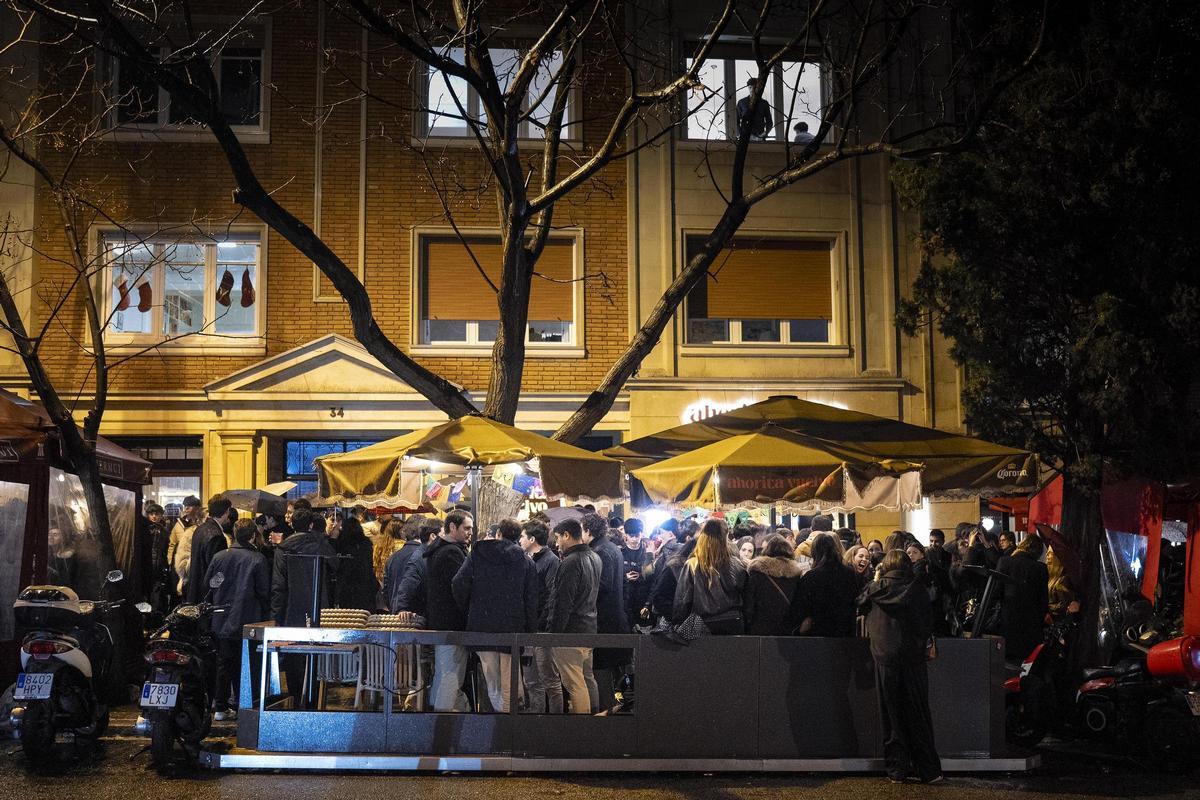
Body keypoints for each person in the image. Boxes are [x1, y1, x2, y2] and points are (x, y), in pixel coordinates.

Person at [859, 550, 942, 784]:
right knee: (917, 713)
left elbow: (859, 605)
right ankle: (928, 770)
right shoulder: (917, 589)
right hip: (913, 658)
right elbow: (927, 622)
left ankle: (897, 770)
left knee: (891, 715)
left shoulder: (876, 588)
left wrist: (876, 579)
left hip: (885, 658)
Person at [452, 518, 538, 712]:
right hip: (512, 628)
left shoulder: (478, 554)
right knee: (511, 679)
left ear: (498, 533)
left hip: (482, 625)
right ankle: (509, 722)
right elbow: (531, 599)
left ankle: (498, 716)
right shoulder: (525, 561)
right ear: (517, 537)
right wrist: (530, 632)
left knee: (491, 678)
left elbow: (458, 583)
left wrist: (470, 608)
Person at [204, 519, 270, 720]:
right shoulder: (257, 559)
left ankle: (221, 707)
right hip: (247, 619)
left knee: (224, 663)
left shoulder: (219, 557)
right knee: (246, 665)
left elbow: (210, 584)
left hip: (221, 618)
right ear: (252, 536)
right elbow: (264, 592)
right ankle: (244, 705)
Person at [270, 508, 336, 706]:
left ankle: (296, 697)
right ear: (310, 525)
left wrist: (275, 616)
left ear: (292, 524)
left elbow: (278, 587)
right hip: (318, 610)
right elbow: (335, 567)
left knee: (293, 657)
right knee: (315, 657)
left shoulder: (283, 549)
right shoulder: (322, 545)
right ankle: (313, 700)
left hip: (292, 610)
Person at [545, 518, 601, 714]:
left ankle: (582, 728)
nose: (557, 543)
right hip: (588, 628)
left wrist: (554, 634)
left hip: (570, 632)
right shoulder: (595, 557)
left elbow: (562, 602)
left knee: (574, 683)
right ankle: (594, 719)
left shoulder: (570, 562)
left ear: (567, 535)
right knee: (587, 678)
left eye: (558, 538)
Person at [423, 511, 473, 711]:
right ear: (452, 527)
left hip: (440, 622)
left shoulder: (437, 550)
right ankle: (441, 725)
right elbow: (460, 589)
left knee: (443, 673)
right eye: (466, 528)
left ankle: (443, 717)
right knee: (451, 674)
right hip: (452, 624)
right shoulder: (452, 553)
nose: (470, 532)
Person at [673, 518, 747, 635]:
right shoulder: (737, 564)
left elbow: (682, 600)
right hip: (734, 622)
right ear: (725, 538)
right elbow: (745, 594)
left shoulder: (693, 564)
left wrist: (678, 623)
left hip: (703, 624)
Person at [520, 519, 562, 714]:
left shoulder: (551, 561)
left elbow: (552, 596)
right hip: (530, 628)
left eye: (522, 536)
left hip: (542, 630)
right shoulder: (528, 559)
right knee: (531, 680)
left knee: (550, 680)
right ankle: (536, 717)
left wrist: (542, 623)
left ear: (532, 538)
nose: (520, 540)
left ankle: (555, 722)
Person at [789, 533, 859, 637]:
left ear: (815, 551)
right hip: (845, 629)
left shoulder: (811, 576)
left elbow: (801, 606)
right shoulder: (850, 573)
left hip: (818, 630)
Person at [996, 535, 1049, 662]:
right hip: (1031, 624)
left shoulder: (1004, 562)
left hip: (1008, 620)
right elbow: (1043, 601)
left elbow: (997, 591)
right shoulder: (1040, 568)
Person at [744, 534, 803, 635]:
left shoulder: (757, 572)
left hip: (760, 627)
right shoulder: (795, 575)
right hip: (786, 628)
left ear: (767, 551)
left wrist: (748, 624)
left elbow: (749, 603)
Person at [186, 497, 235, 603]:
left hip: (196, 589)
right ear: (225, 512)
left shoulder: (200, 529)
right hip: (207, 595)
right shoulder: (216, 536)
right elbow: (217, 570)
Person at [393, 519, 442, 615]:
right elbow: (408, 584)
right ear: (433, 536)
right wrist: (402, 609)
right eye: (444, 534)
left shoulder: (426, 555)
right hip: (419, 617)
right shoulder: (421, 557)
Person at [334, 517, 377, 611]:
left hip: (347, 585)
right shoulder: (366, 543)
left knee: (350, 616)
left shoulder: (342, 543)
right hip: (366, 583)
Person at [383, 517, 423, 613]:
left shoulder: (392, 558)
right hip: (416, 618)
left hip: (395, 615)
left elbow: (385, 590)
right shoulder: (423, 556)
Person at [620, 518, 654, 627]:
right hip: (626, 601)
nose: (634, 539)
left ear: (642, 534)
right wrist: (625, 577)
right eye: (631, 536)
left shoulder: (647, 553)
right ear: (625, 534)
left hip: (644, 600)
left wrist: (648, 604)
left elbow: (653, 579)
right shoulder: (620, 553)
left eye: (637, 535)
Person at [167, 495, 202, 597]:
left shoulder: (201, 523)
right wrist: (170, 561)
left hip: (194, 561)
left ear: (196, 508)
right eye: (185, 506)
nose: (186, 509)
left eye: (189, 507)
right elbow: (172, 543)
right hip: (181, 563)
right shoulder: (179, 524)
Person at [141, 502, 172, 613]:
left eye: (157, 514)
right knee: (145, 594)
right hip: (145, 566)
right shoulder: (143, 529)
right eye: (151, 514)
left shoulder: (163, 531)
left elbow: (165, 549)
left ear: (161, 515)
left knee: (156, 595)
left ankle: (153, 619)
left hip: (158, 567)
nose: (154, 516)